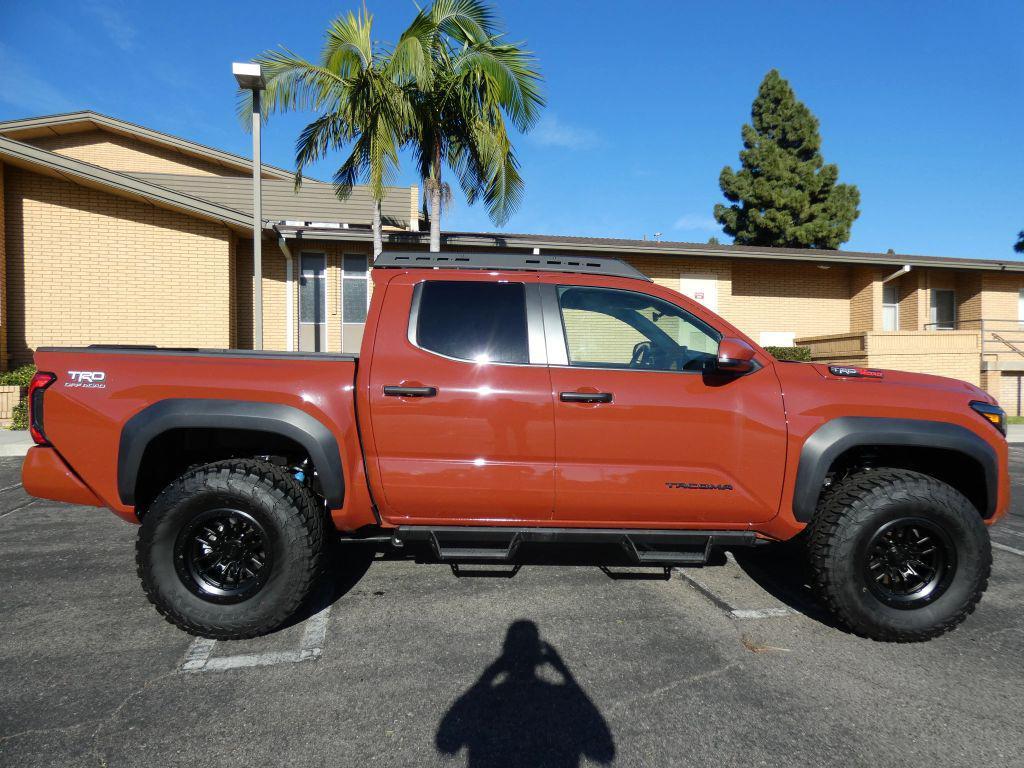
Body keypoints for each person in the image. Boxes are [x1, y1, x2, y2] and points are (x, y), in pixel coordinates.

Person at [436, 620, 615, 767]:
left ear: (505, 653)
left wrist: (488, 675)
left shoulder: (487, 700)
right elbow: (604, 752)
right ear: (539, 657)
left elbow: (446, 743)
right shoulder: (560, 699)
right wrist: (565, 673)